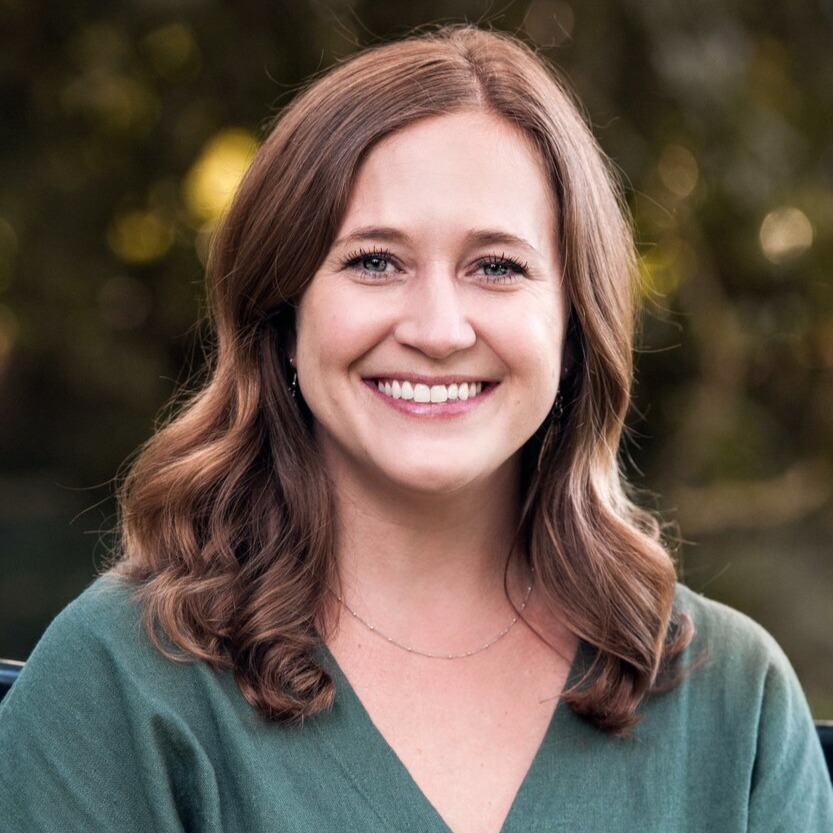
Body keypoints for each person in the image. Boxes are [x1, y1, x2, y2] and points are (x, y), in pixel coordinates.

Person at [0, 25, 830, 833]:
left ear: (575, 328)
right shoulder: (119, 680)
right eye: (374, 261)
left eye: (496, 266)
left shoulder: (732, 704)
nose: (438, 329)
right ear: (283, 314)